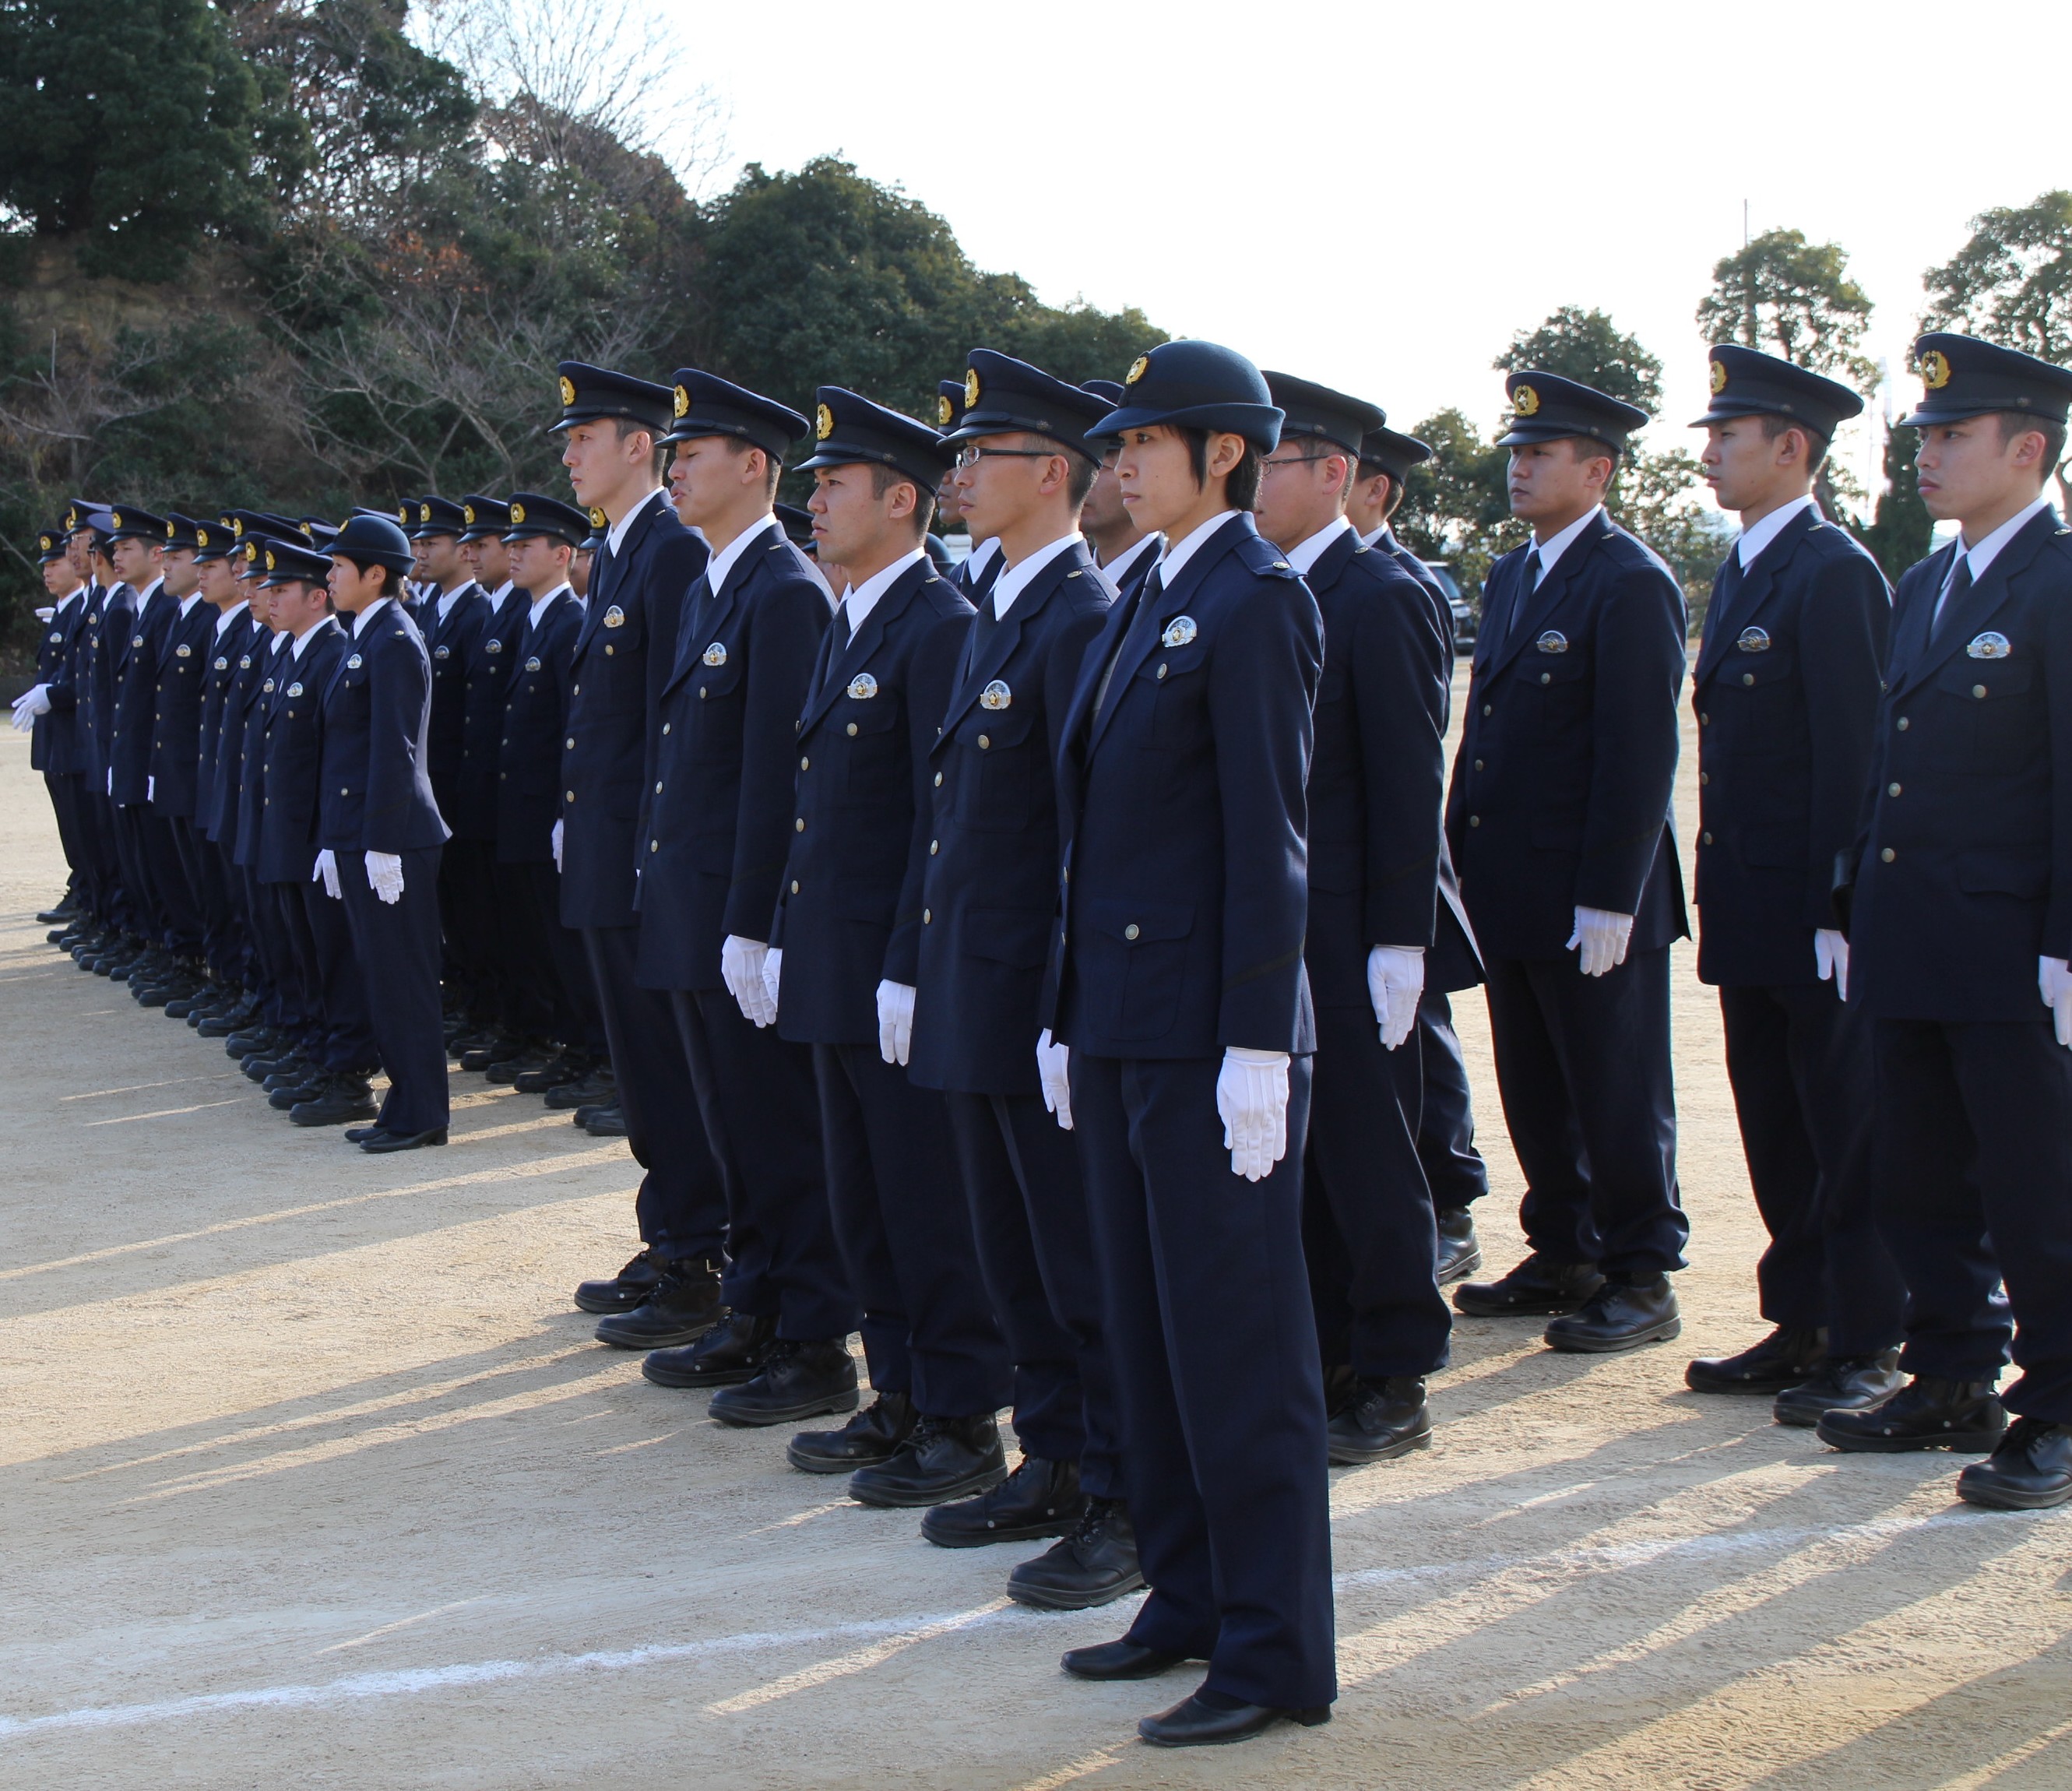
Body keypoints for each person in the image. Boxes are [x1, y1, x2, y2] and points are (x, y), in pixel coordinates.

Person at [1050, 341, 1332, 1747]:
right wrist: (1064, 1013)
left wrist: (1255, 1047)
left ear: (1222, 451)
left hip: (1206, 1041)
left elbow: (1269, 847)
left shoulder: (1257, 600)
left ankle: (1274, 1647)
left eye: (1143, 443)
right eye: (1117, 444)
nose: (1120, 464)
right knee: (1147, 1332)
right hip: (1115, 1027)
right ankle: (1186, 1594)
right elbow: (1089, 837)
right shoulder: (1144, 593)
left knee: (1237, 1344)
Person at [1824, 334, 2072, 1512]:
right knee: (1917, 1178)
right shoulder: (1925, 584)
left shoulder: (2062, 582)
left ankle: (2061, 1408)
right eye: (1922, 434)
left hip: (2011, 950)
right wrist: (1845, 902)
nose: (1923, 454)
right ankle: (1950, 1376)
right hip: (1910, 934)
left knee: (2036, 1189)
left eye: (1951, 435)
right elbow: (1889, 766)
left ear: (2026, 449)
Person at [914, 349, 1137, 1604]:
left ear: (1049, 474)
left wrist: (1059, 1003)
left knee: (1077, 1256)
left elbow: (1077, 837)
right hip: (973, 980)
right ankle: (1049, 1453)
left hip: (1033, 990)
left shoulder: (1082, 617)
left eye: (980, 457)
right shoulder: (997, 605)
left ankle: (1116, 1486)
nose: (956, 478)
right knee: (1013, 1252)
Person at [769, 385, 1011, 1504]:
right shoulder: (851, 612)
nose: (813, 501)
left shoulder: (940, 624)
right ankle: (900, 1393)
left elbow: (938, 817)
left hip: (891, 972)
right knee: (861, 1197)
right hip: (831, 963)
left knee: (926, 1200)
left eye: (832, 484)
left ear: (901, 499)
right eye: (814, 484)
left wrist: (910, 964)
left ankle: (962, 1417)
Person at [1680, 345, 1906, 1426]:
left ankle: (1869, 1336)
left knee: (1846, 1127)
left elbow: (1857, 756)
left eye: (1730, 437)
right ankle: (1802, 1318)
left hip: (1814, 916)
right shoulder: (1742, 569)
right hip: (1750, 904)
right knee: (1774, 1122)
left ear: (1792, 448)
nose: (1713, 455)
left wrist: (1841, 904)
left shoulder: (1832, 571)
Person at [1448, 371, 1691, 1353]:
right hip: (1514, 880)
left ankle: (1640, 1267)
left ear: (1597, 469)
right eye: (1517, 451)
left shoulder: (1630, 579)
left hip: (1595, 891)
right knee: (1538, 1083)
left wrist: (1611, 895)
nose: (1520, 467)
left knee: (1616, 1082)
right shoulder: (1516, 574)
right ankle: (1566, 1247)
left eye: (1540, 453)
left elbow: (1641, 752)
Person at [632, 369, 856, 1420]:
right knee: (731, 1133)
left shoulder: (785, 591)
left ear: (754, 467)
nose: (674, 468)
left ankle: (811, 1341)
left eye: (694, 453)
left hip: (741, 921)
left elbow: (781, 778)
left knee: (777, 1136)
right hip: (691, 907)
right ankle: (755, 1310)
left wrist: (755, 926)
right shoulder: (712, 583)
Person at [1257, 370, 1453, 1465]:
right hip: (1282, 929)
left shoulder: (1378, 594)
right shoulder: (1270, 586)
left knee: (1372, 1159)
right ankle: (1329, 1352)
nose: (1255, 484)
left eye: (1275, 464)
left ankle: (1392, 1372)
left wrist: (1397, 938)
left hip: (1351, 927)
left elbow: (1403, 781)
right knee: (1302, 1162)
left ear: (1333, 475)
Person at [552, 364, 730, 1345]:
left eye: (588, 437)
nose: (570, 454)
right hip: (606, 844)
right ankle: (672, 1227)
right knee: (641, 1063)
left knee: (668, 1064)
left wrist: (642, 849)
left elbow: (672, 726)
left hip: (639, 855)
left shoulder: (666, 549)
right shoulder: (618, 550)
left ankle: (697, 1248)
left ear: (639, 448)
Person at [1348, 422, 1491, 1283]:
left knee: (1418, 1038)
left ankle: (1451, 1197)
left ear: (1373, 490)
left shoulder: (1398, 585)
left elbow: (1410, 748)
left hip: (1393, 856)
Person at [317, 513, 453, 1152]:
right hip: (363, 834)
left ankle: (423, 1110)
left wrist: (379, 842)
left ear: (377, 575)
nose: (329, 576)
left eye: (340, 568)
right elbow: (347, 752)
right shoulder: (363, 635)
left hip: (393, 838)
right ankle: (404, 1102)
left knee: (404, 977)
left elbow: (395, 750)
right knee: (381, 975)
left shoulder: (394, 639)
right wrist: (336, 837)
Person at [249, 537, 381, 1128]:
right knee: (303, 953)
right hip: (286, 832)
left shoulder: (333, 652)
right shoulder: (291, 650)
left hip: (317, 837)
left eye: (281, 591)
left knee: (334, 957)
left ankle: (349, 1073)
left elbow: (340, 757)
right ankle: (318, 1053)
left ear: (316, 597)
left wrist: (332, 836)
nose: (268, 599)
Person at [487, 496, 601, 1100]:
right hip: (521, 813)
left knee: (568, 943)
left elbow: (570, 727)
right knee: (538, 938)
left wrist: (565, 813)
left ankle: (595, 1052)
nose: (512, 555)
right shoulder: (530, 619)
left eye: (524, 547)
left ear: (563, 555)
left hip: (549, 814)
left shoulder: (570, 623)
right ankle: (570, 1042)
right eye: (510, 546)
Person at [409, 497, 492, 1043]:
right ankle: (464, 1001)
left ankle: (484, 1008)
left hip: (463, 790)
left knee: (476, 910)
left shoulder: (477, 611)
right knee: (452, 912)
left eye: (431, 543)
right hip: (436, 790)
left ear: (463, 552)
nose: (419, 552)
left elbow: (476, 715)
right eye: (416, 544)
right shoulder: (431, 610)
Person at [187, 517, 260, 1033]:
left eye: (238, 565)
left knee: (256, 907)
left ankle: (256, 993)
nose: (235, 574)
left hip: (248, 792)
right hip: (224, 786)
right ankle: (241, 985)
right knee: (230, 897)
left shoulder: (253, 633)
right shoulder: (227, 628)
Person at [147, 515, 220, 1015]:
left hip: (200, 776)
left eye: (185, 558)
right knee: (189, 878)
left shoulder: (209, 620)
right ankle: (196, 961)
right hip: (175, 769)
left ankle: (217, 971)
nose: (171, 565)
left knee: (212, 886)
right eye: (169, 556)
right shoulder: (179, 615)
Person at [14, 525, 92, 931]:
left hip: (74, 739)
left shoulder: (85, 607)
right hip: (56, 739)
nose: (47, 571)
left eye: (56, 562)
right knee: (70, 823)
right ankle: (81, 887)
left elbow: (76, 680)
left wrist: (54, 695)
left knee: (83, 827)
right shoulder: (65, 610)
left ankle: (86, 893)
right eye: (44, 564)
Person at [1077, 380, 1161, 600]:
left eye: (1098, 467)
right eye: (1074, 469)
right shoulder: (1069, 583)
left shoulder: (1167, 580)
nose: (1080, 482)